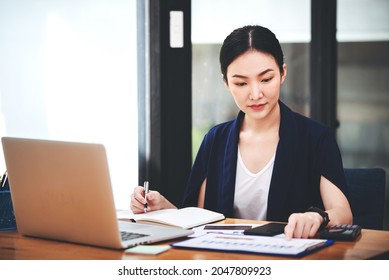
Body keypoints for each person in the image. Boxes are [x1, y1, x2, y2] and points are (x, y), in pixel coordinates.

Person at [131, 25, 353, 239]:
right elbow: (199, 218)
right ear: (226, 82)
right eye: (241, 83)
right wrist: (161, 207)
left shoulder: (315, 137)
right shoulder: (215, 140)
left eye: (266, 79)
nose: (255, 94)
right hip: (227, 259)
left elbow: (343, 213)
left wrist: (318, 217)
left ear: (282, 73)